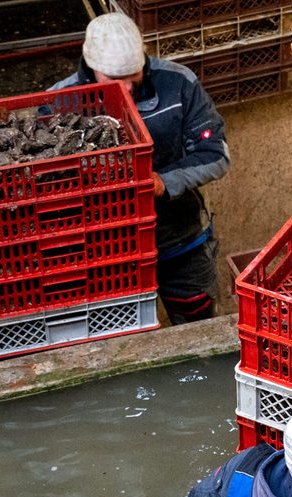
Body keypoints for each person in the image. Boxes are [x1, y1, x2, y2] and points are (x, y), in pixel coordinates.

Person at [50, 13, 230, 324]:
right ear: (91, 67)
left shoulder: (179, 83)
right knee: (118, 337)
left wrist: (164, 181)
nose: (127, 88)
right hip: (103, 254)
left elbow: (215, 154)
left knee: (196, 322)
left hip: (181, 239)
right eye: (114, 81)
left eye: (134, 77)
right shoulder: (58, 104)